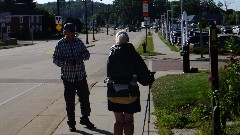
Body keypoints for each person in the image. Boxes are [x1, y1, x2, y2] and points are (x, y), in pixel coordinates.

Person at [106, 31, 153, 135]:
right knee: (128, 121)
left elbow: (109, 73)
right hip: (130, 93)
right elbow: (143, 74)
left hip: (113, 92)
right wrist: (148, 80)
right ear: (127, 41)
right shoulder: (133, 54)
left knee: (118, 121)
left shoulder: (111, 54)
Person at [52, 23, 94, 132]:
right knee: (70, 102)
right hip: (68, 78)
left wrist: (82, 57)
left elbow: (87, 54)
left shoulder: (78, 42)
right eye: (70, 32)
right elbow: (55, 59)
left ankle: (85, 118)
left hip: (80, 76)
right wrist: (66, 63)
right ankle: (71, 123)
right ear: (65, 32)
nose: (72, 34)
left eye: (73, 32)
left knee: (85, 99)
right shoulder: (60, 44)